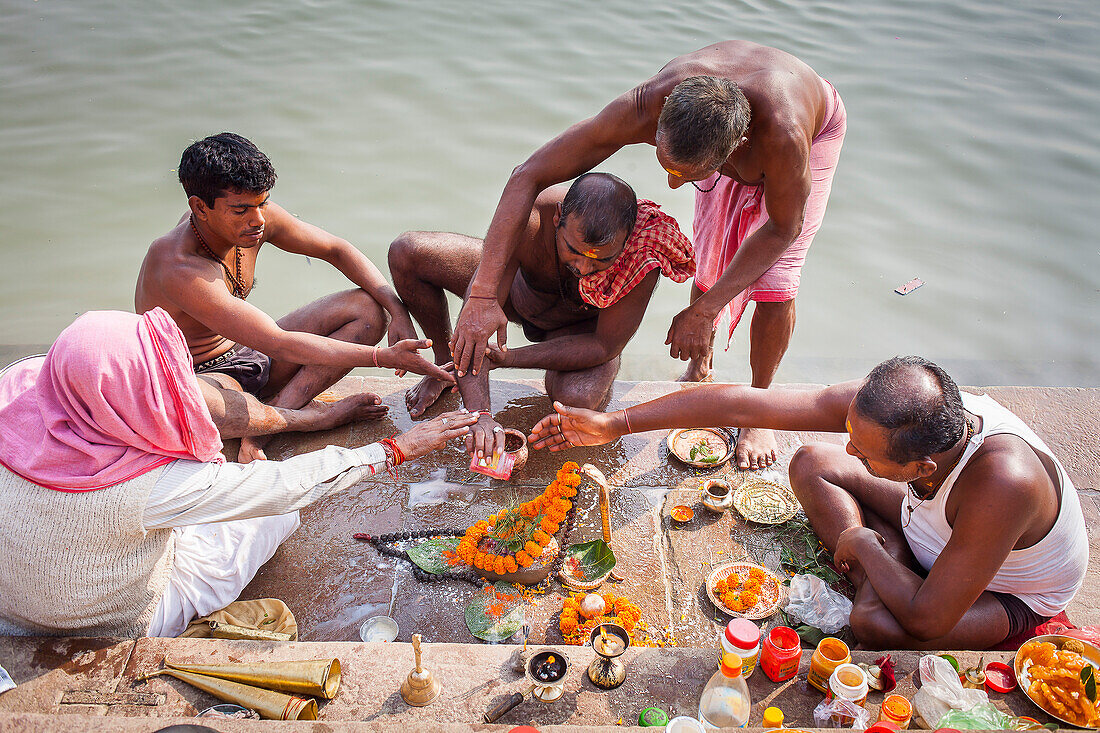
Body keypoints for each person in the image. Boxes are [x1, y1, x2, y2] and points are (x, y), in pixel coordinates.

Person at [451, 41, 846, 471]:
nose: (674, 187)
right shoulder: (649, 102)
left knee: (775, 282)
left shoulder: (784, 140)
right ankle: (701, 364)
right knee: (710, 257)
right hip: (712, 131)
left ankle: (761, 405)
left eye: (687, 176)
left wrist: (705, 310)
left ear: (739, 148)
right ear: (657, 127)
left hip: (808, 123)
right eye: (666, 168)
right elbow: (528, 174)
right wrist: (483, 296)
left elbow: (783, 227)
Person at [528, 356, 1088, 650]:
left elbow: (927, 618)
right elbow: (749, 406)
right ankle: (892, 560)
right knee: (812, 464)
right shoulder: (898, 411)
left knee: (876, 623)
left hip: (1009, 592)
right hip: (932, 529)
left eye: (866, 454)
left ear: (923, 468)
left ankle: (881, 557)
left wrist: (865, 544)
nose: (852, 449)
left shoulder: (1003, 482)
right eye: (854, 434)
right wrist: (616, 422)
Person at [0, 309, 477, 638]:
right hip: (106, 620)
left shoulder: (20, 394)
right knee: (274, 514)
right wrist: (397, 447)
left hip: (12, 611)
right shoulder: (142, 490)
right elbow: (287, 486)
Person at [136, 132, 453, 463]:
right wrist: (383, 358)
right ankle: (312, 419)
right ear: (200, 207)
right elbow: (278, 343)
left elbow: (337, 249)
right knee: (200, 408)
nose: (257, 220)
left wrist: (397, 311)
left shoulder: (254, 217)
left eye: (262, 203)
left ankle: (267, 421)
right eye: (241, 209)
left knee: (369, 309)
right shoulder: (177, 266)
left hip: (247, 349)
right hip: (202, 374)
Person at [389, 172, 693, 461]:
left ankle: (592, 379)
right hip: (520, 295)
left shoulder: (642, 255)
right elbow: (478, 312)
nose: (584, 269)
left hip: (576, 330)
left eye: (602, 260)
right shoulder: (532, 215)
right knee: (407, 251)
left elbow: (604, 346)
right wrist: (480, 415)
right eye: (573, 251)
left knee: (576, 400)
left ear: (625, 242)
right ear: (557, 217)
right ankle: (444, 369)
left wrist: (510, 358)